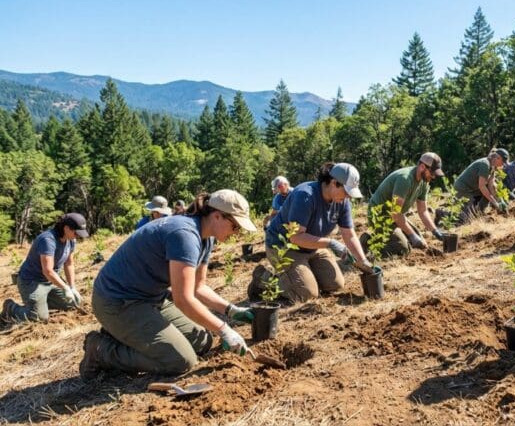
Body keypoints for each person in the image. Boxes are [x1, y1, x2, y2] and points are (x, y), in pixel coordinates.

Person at [79, 190, 258, 379]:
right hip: (117, 301)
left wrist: (231, 310)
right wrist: (224, 329)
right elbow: (183, 299)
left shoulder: (207, 237)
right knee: (180, 361)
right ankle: (101, 350)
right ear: (217, 216)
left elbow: (198, 287)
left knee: (203, 341)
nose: (236, 233)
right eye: (235, 226)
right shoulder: (184, 235)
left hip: (150, 297)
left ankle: (128, 333)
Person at [263, 163, 372, 303]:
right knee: (306, 294)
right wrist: (331, 243)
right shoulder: (305, 196)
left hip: (312, 247)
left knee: (336, 285)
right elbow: (295, 237)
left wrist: (363, 261)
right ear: (334, 183)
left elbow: (349, 234)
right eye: (346, 192)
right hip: (285, 247)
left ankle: (304, 273)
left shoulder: (342, 202)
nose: (348, 197)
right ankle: (265, 279)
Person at [1, 214, 89, 323]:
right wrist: (65, 288)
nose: (77, 236)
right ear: (66, 228)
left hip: (51, 280)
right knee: (38, 318)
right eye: (76, 233)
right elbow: (47, 271)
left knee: (73, 304)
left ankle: (43, 302)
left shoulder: (71, 240)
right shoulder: (48, 240)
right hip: (32, 281)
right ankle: (10, 308)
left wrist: (72, 287)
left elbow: (69, 264)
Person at [363, 152, 445, 257]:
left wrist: (435, 231)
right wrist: (412, 235)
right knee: (402, 249)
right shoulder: (405, 179)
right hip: (380, 215)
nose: (433, 177)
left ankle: (389, 238)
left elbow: (423, 211)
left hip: (396, 216)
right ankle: (368, 240)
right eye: (432, 173)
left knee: (420, 244)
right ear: (422, 167)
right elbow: (395, 213)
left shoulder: (424, 182)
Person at [454, 149, 510, 222]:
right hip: (462, 189)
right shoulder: (484, 164)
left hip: (472, 189)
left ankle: (479, 212)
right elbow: (482, 186)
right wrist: (495, 203)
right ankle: (442, 213)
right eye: (503, 162)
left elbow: (491, 185)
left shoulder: (493, 167)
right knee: (466, 219)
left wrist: (499, 200)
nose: (503, 164)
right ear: (497, 158)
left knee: (475, 214)